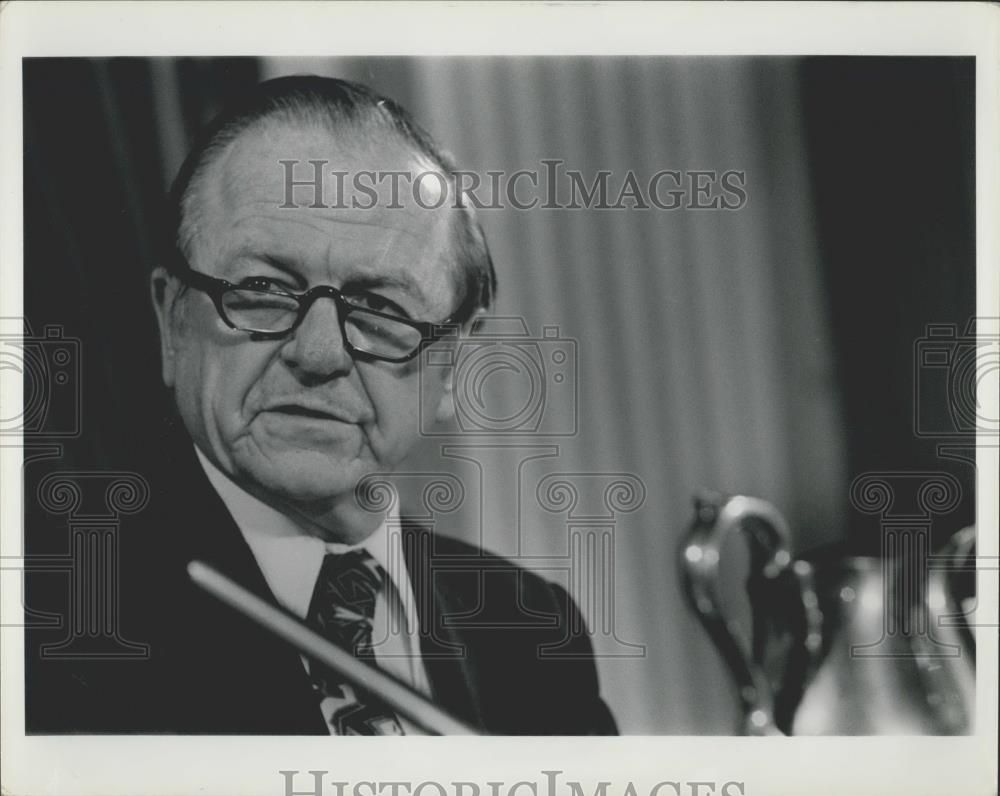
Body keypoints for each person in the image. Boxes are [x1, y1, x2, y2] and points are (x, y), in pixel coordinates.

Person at [25, 75, 616, 735]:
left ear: (452, 361)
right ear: (172, 322)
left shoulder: (533, 628)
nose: (319, 352)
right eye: (264, 289)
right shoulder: (47, 620)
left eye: (380, 308)